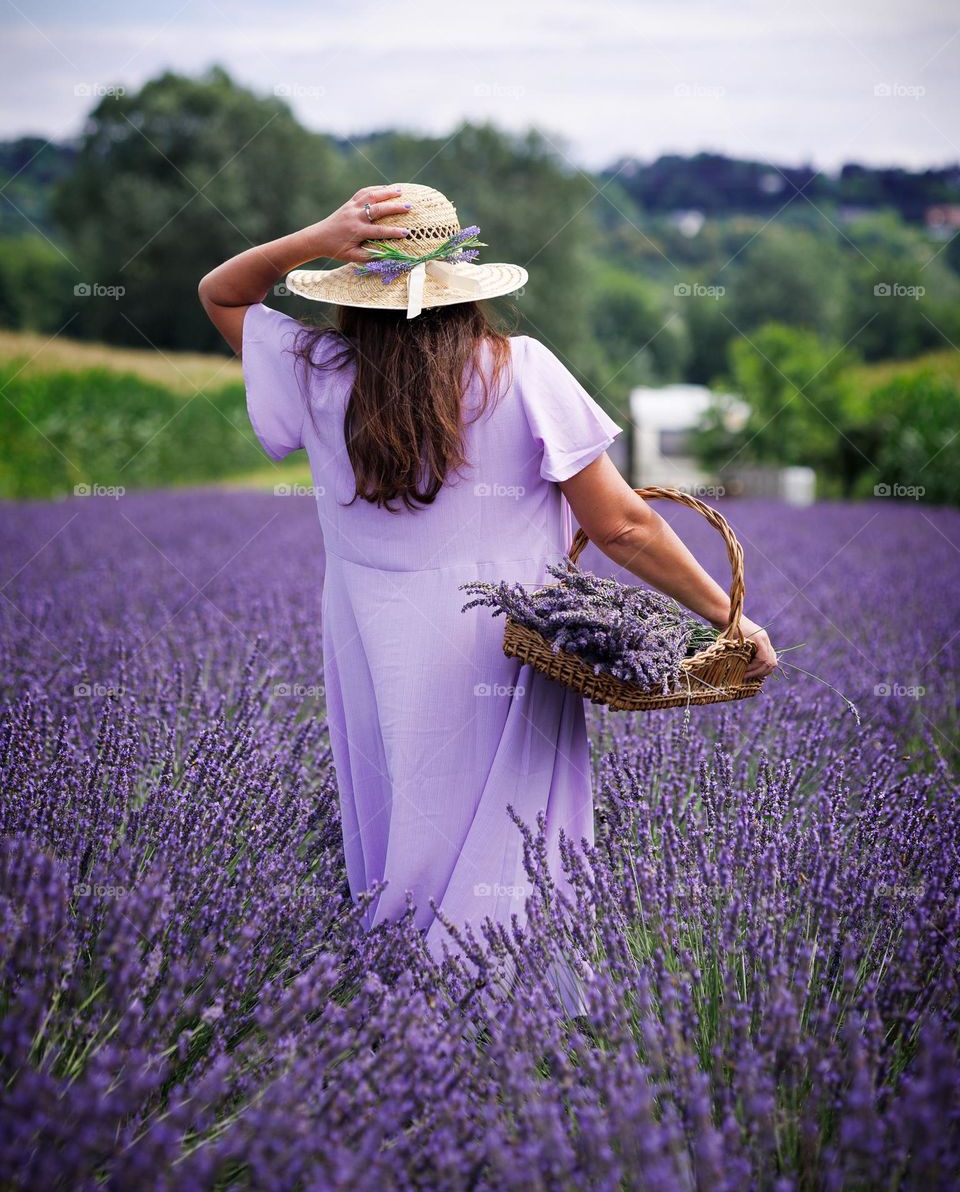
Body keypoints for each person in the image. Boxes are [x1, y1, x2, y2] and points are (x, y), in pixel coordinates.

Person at [198, 182, 778, 1004]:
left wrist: (316, 238)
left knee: (398, 819)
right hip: (504, 651)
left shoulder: (315, 368)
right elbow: (624, 528)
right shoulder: (520, 370)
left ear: (354, 287)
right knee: (516, 833)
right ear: (466, 290)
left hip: (372, 642)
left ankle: (397, 1008)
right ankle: (507, 1023)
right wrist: (731, 616)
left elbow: (221, 291)